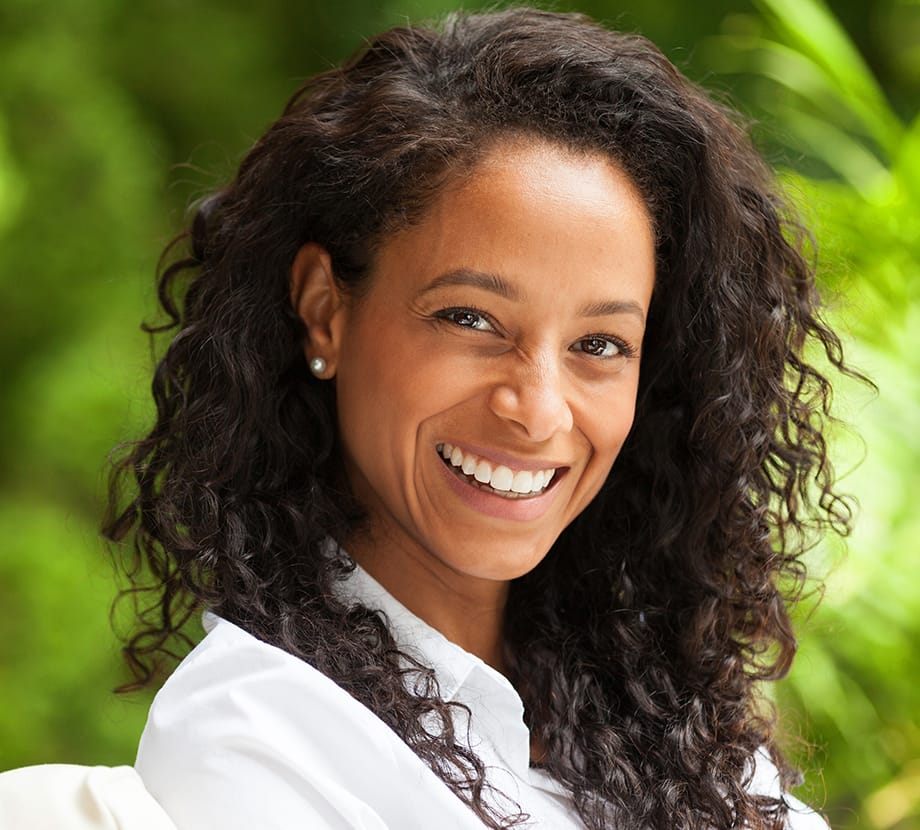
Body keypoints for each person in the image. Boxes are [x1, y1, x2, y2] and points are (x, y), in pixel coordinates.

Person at [104, 7, 856, 829]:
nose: (536, 410)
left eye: (599, 343)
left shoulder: (671, 728)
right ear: (325, 312)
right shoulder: (259, 740)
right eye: (469, 319)